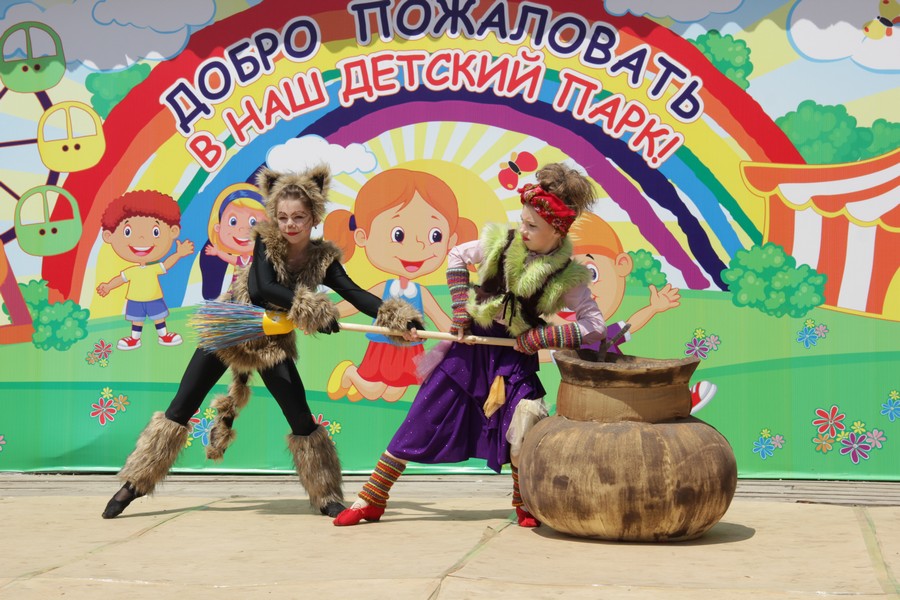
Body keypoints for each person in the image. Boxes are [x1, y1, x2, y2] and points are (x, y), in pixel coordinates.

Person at [102, 164, 422, 520]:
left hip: (271, 344)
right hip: (229, 329)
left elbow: (356, 293)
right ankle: (135, 483)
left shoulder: (323, 259)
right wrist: (314, 309)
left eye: (299, 217)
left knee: (300, 417)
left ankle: (326, 495)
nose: (290, 224)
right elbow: (261, 289)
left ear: (314, 217)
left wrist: (397, 318)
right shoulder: (265, 242)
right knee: (181, 406)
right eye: (283, 217)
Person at [333, 163, 607, 528]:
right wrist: (461, 310)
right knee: (421, 417)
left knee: (522, 426)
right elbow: (457, 256)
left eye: (532, 226)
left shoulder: (567, 276)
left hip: (513, 358)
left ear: (557, 230)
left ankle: (524, 503)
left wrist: (541, 338)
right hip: (468, 351)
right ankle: (371, 497)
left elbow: (595, 326)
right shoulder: (500, 244)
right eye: (522, 221)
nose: (522, 230)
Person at [323, 168, 477, 402]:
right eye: (398, 234)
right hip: (383, 345)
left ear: (451, 241)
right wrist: (323, 314)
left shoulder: (420, 292)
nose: (418, 247)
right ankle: (350, 373)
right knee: (375, 391)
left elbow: (441, 319)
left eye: (435, 236)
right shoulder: (385, 288)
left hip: (409, 349)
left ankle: (357, 384)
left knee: (393, 394)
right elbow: (355, 302)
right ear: (363, 236)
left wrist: (463, 332)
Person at [96, 190, 194, 350]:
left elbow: (167, 264)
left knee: (159, 318)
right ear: (109, 236)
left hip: (154, 298)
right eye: (128, 232)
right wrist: (108, 286)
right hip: (135, 300)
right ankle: (134, 339)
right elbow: (120, 279)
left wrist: (178, 254)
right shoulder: (131, 271)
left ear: (173, 232)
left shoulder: (153, 268)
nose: (141, 238)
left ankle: (164, 336)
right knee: (137, 320)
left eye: (155, 232)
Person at [200, 182, 267, 300]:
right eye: (233, 222)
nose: (242, 229)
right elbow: (231, 259)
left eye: (253, 222)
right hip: (237, 291)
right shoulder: (242, 260)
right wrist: (217, 252)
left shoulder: (260, 259)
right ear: (218, 227)